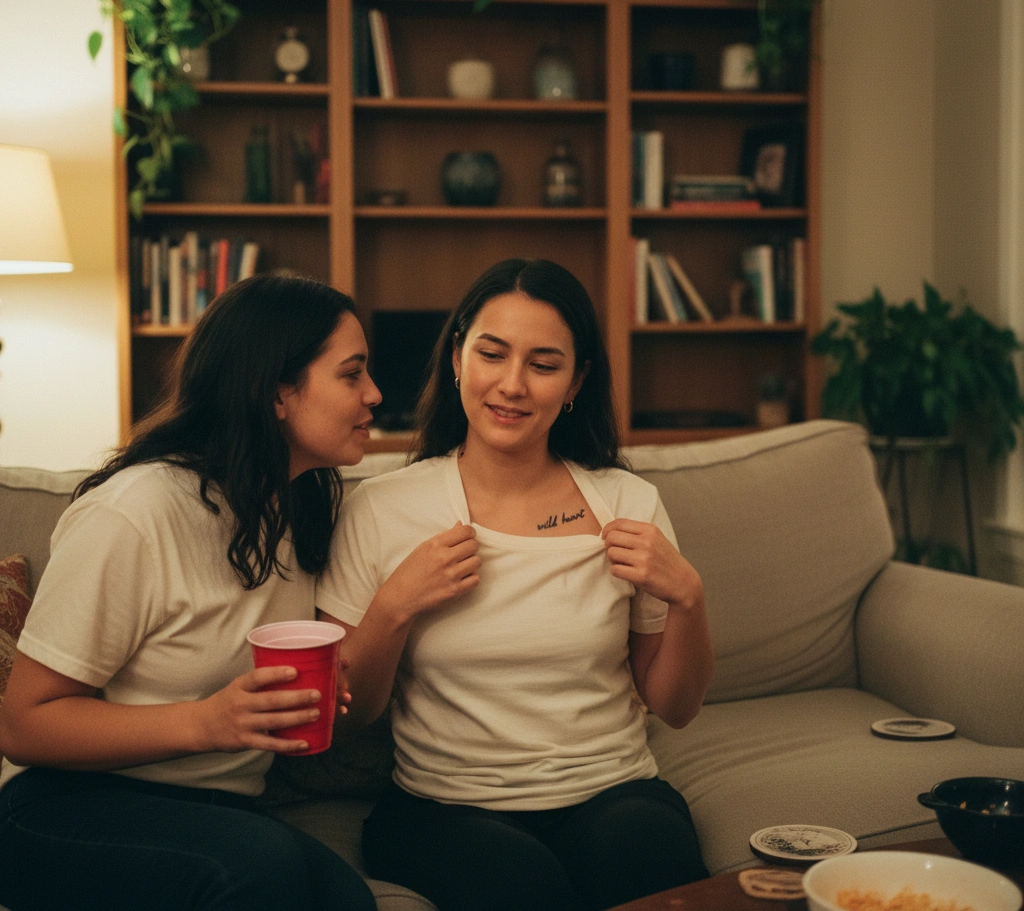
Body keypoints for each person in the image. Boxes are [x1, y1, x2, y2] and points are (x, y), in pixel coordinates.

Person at [317, 258, 715, 911]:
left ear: (577, 380)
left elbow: (674, 706)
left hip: (613, 791)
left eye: (544, 363)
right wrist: (395, 605)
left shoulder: (628, 502)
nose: (512, 385)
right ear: (456, 357)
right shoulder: (383, 508)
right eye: (492, 354)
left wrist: (688, 598)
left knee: (654, 866)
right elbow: (350, 714)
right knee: (521, 888)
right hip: (443, 808)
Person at [0, 272, 380, 911]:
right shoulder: (136, 513)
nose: (373, 395)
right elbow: (23, 724)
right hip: (66, 805)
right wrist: (208, 721)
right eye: (351, 374)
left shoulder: (302, 505)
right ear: (277, 392)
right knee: (263, 869)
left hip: (221, 810)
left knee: (345, 899)